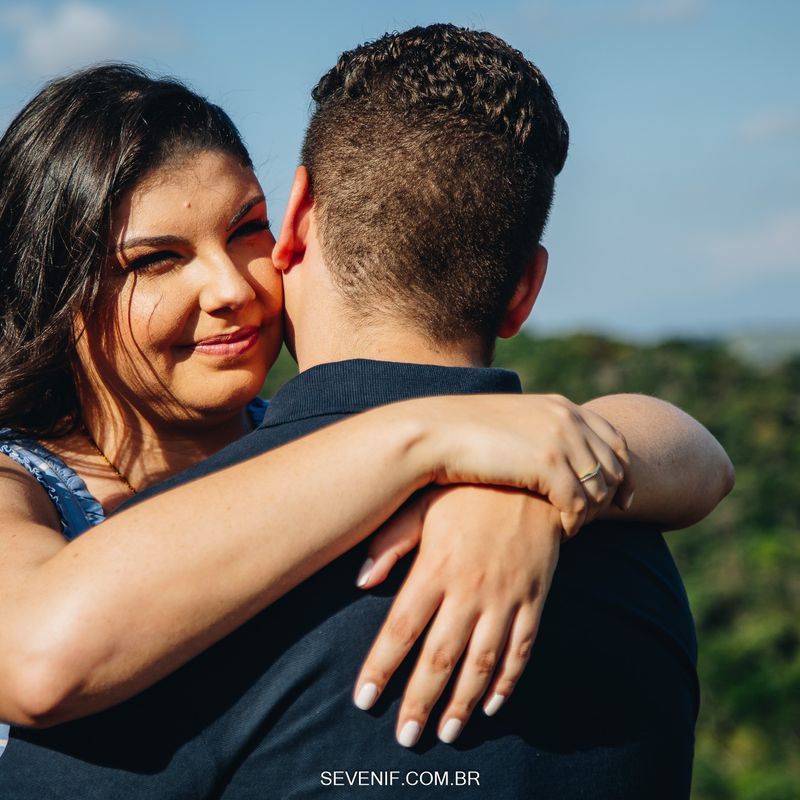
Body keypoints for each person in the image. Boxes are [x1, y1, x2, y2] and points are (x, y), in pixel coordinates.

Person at [0, 48, 730, 797]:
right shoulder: (14, 484)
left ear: (293, 221)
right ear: (56, 291)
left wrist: (525, 495)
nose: (230, 286)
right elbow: (32, 658)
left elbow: (701, 460)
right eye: (156, 259)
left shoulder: (312, 439)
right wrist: (430, 437)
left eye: (247, 228)